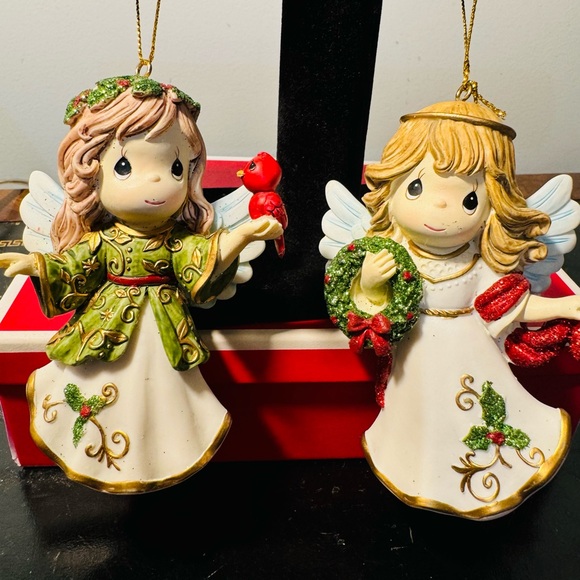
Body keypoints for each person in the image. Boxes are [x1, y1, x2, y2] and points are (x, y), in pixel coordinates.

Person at [0, 76, 282, 493]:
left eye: (174, 168)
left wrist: (241, 235)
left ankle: (160, 450)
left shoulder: (178, 241)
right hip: (106, 322)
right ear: (92, 173)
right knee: (96, 384)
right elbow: (75, 263)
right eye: (125, 167)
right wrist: (38, 265)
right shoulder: (102, 240)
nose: (156, 183)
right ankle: (97, 446)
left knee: (164, 396)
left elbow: (200, 261)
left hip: (164, 328)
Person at [329, 99, 580, 519]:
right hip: (417, 357)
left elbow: (512, 307)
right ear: (391, 187)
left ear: (493, 205)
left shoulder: (480, 262)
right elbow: (363, 310)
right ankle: (418, 472)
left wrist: (566, 305)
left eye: (468, 199)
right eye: (416, 188)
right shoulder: (387, 254)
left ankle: (493, 475)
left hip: (473, 353)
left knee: (479, 414)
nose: (438, 210)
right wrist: (370, 282)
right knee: (423, 419)